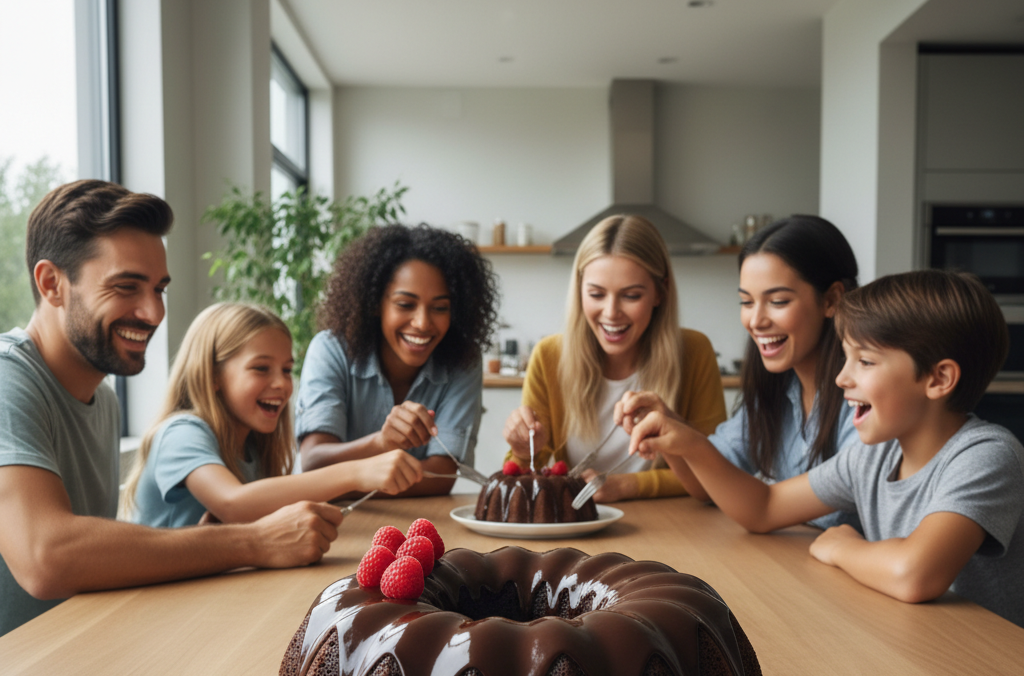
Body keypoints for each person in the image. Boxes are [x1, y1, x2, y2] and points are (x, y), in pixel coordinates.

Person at [0, 180, 342, 638]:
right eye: (126, 287)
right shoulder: (8, 378)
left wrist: (197, 545)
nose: (153, 313)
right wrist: (254, 541)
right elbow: (46, 557)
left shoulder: (104, 400)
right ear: (51, 283)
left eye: (158, 289)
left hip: (77, 645)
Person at [625, 270, 1024, 627]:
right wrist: (690, 443)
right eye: (846, 358)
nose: (841, 378)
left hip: (990, 667)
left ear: (939, 379)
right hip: (921, 642)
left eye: (865, 362)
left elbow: (914, 574)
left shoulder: (986, 456)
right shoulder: (875, 456)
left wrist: (843, 547)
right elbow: (764, 507)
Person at [617, 214, 860, 527]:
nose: (756, 321)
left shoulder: (864, 401)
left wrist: (689, 442)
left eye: (778, 301)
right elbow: (706, 487)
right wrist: (668, 427)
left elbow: (765, 509)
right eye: (746, 302)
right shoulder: (776, 391)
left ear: (831, 300)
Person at [123, 303, 423, 527]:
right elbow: (233, 503)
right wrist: (357, 472)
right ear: (212, 375)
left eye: (287, 370)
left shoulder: (254, 450)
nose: (281, 383)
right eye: (261, 368)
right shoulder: (181, 433)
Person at [502, 214, 725, 501]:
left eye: (631, 296)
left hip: (674, 521)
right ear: (580, 291)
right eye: (596, 294)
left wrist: (626, 485)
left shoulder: (694, 352)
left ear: (661, 292)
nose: (611, 313)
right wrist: (523, 450)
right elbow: (523, 478)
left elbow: (719, 475)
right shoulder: (548, 357)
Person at [296, 223, 499, 495]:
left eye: (440, 308)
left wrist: (343, 481)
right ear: (374, 303)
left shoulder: (462, 361)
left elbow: (443, 473)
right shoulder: (330, 350)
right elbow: (313, 462)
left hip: (412, 517)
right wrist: (381, 443)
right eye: (405, 304)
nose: (422, 322)